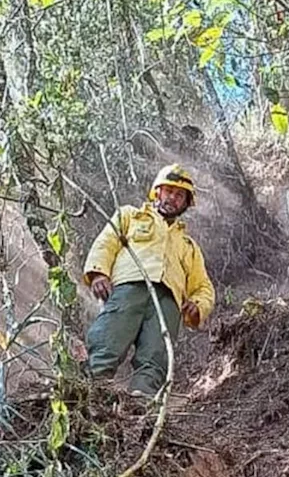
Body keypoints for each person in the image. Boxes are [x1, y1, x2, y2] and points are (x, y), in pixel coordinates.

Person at [82, 164, 215, 400]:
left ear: (185, 204)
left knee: (156, 357)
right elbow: (106, 242)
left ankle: (140, 408)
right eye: (169, 192)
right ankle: (90, 395)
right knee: (108, 340)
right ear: (157, 192)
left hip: (168, 304)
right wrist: (99, 273)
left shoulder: (189, 247)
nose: (172, 199)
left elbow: (203, 287)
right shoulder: (129, 216)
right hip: (128, 288)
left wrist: (197, 306)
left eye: (179, 196)